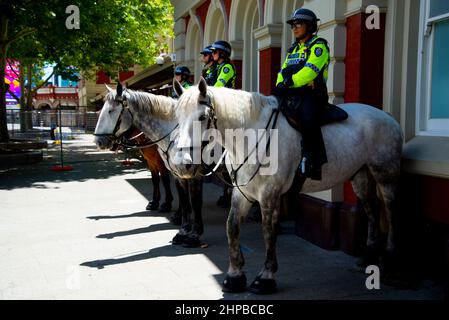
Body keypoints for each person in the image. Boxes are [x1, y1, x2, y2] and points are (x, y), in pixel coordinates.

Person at [275, 8, 330, 180]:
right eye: (293, 25)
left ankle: (312, 160)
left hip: (312, 95)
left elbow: (310, 71)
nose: (295, 28)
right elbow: (282, 71)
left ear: (310, 26)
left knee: (307, 117)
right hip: (291, 93)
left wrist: (288, 82)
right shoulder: (293, 50)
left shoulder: (319, 46)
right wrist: (279, 85)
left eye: (299, 24)